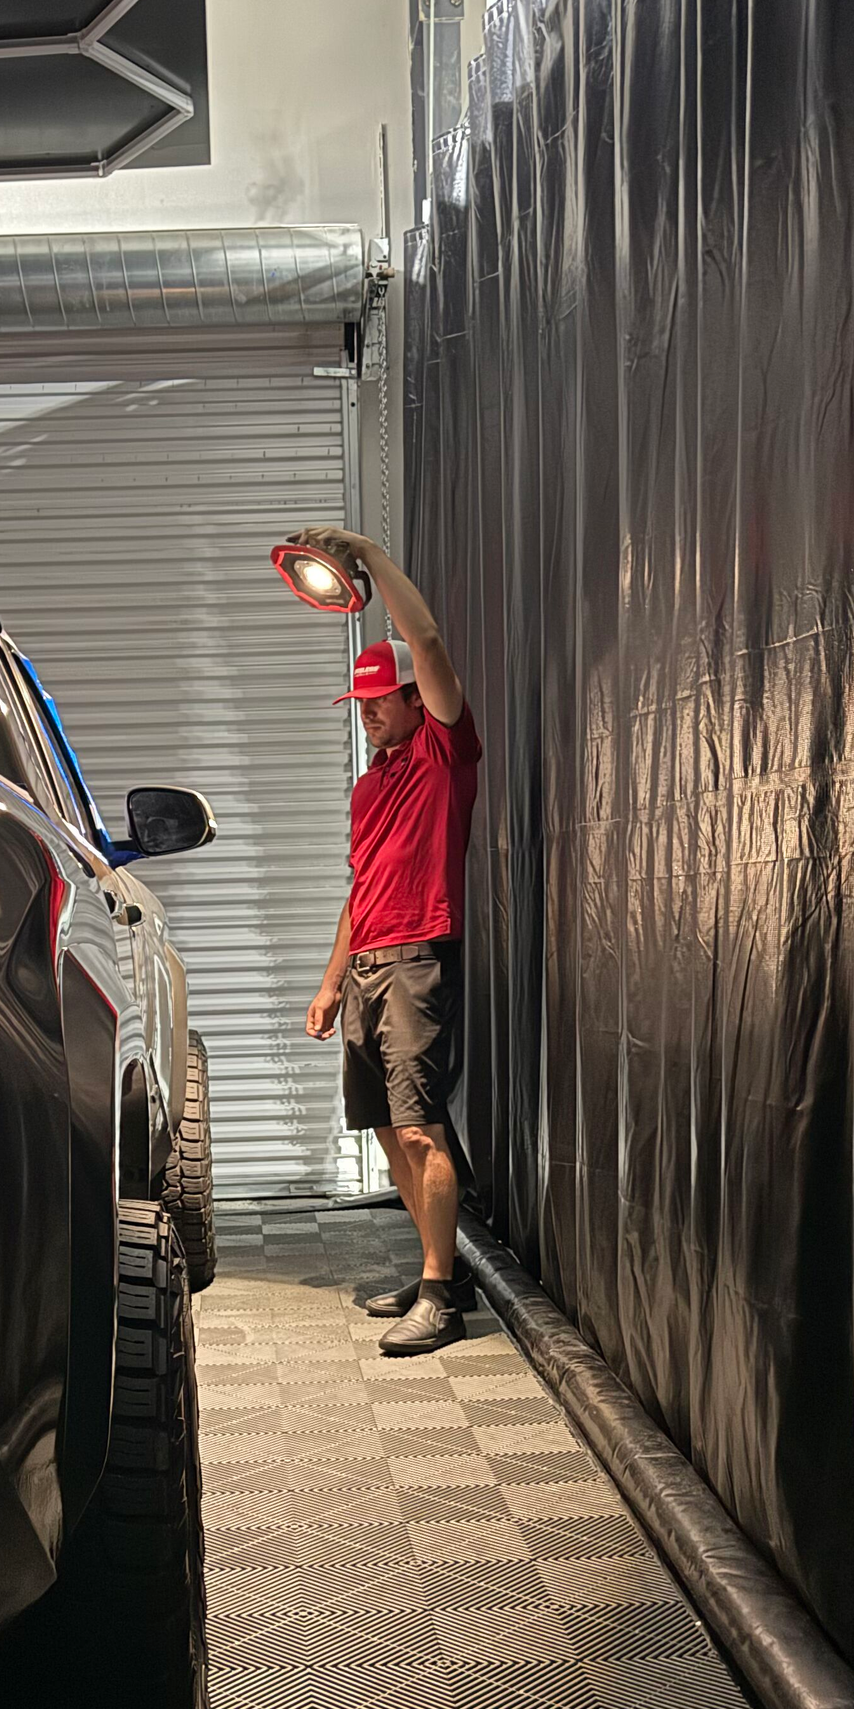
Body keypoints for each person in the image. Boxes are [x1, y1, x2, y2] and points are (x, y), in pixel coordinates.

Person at [299, 528, 482, 1355]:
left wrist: (369, 556)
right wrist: (331, 981)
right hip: (369, 966)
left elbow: (429, 641)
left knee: (419, 1128)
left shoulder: (445, 755)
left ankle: (442, 1298)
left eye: (380, 700)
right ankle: (441, 1267)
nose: (368, 712)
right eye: (361, 703)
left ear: (415, 699)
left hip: (418, 958)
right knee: (384, 1127)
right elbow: (359, 889)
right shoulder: (370, 787)